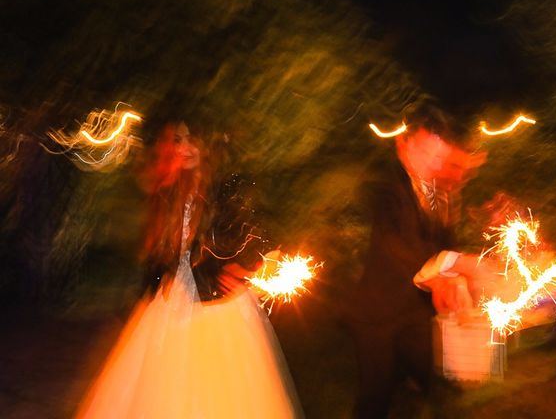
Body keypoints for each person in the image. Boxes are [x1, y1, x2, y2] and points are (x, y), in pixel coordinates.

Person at [76, 119, 303, 418]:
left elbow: (265, 230)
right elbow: (160, 256)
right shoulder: (171, 188)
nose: (183, 148)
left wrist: (246, 268)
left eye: (189, 139)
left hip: (216, 304)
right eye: (177, 140)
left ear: (205, 141)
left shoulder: (227, 184)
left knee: (219, 392)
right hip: (171, 302)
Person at [345, 111, 485, 418]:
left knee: (436, 381)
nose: (432, 164)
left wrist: (458, 277)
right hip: (375, 316)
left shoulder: (437, 192)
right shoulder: (383, 185)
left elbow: (445, 244)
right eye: (425, 152)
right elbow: (393, 244)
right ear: (402, 145)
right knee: (375, 396)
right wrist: (438, 276)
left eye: (439, 156)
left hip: (415, 312)